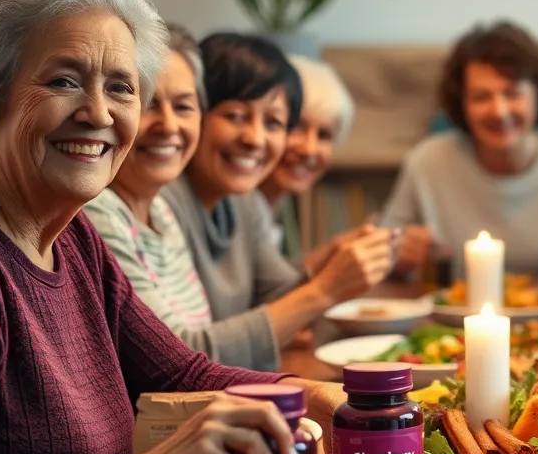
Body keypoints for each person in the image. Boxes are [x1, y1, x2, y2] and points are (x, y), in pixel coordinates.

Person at [0, 0, 346, 454]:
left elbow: (180, 372)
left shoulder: (76, 240)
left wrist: (318, 396)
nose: (98, 112)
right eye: (63, 80)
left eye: (121, 87)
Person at [162, 33, 395, 371]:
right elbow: (175, 357)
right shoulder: (160, 203)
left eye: (272, 122)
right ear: (198, 111)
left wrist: (339, 261)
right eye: (236, 116)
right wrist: (325, 289)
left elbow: (277, 298)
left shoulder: (245, 202)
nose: (254, 138)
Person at [382, 20, 538, 278]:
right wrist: (400, 255)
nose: (499, 111)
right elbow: (383, 258)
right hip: (456, 316)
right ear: (461, 104)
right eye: (481, 97)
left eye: (512, 93)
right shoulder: (427, 162)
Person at [84, 26, 215, 344]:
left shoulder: (162, 211)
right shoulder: (97, 210)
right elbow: (175, 356)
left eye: (183, 106)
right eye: (149, 105)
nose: (169, 125)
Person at [258, 55, 355, 263]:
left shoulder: (279, 205)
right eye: (297, 127)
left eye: (324, 135)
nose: (310, 149)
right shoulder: (236, 209)